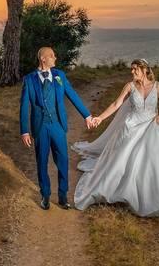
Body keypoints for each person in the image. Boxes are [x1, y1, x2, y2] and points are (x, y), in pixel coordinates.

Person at [72, 58, 159, 216]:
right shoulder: (129, 86)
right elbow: (116, 104)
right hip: (131, 126)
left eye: (135, 69)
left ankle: (156, 194)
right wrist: (100, 118)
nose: (132, 72)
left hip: (151, 125)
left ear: (145, 70)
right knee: (123, 160)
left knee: (155, 159)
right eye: (131, 69)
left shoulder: (157, 86)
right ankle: (122, 192)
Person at [19, 46, 99, 210]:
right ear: (43, 59)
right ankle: (45, 196)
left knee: (63, 160)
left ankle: (63, 196)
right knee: (41, 162)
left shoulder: (59, 76)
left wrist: (87, 116)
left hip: (57, 125)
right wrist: (25, 130)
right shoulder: (29, 79)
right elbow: (24, 106)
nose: (55, 58)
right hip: (40, 127)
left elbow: (73, 96)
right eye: (52, 56)